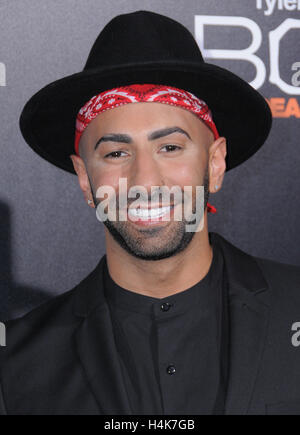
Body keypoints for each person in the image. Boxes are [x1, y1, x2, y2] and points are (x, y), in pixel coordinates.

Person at [0, 10, 299, 416]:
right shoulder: (16, 364)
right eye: (116, 153)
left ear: (214, 164)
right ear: (86, 179)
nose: (144, 179)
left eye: (170, 147)